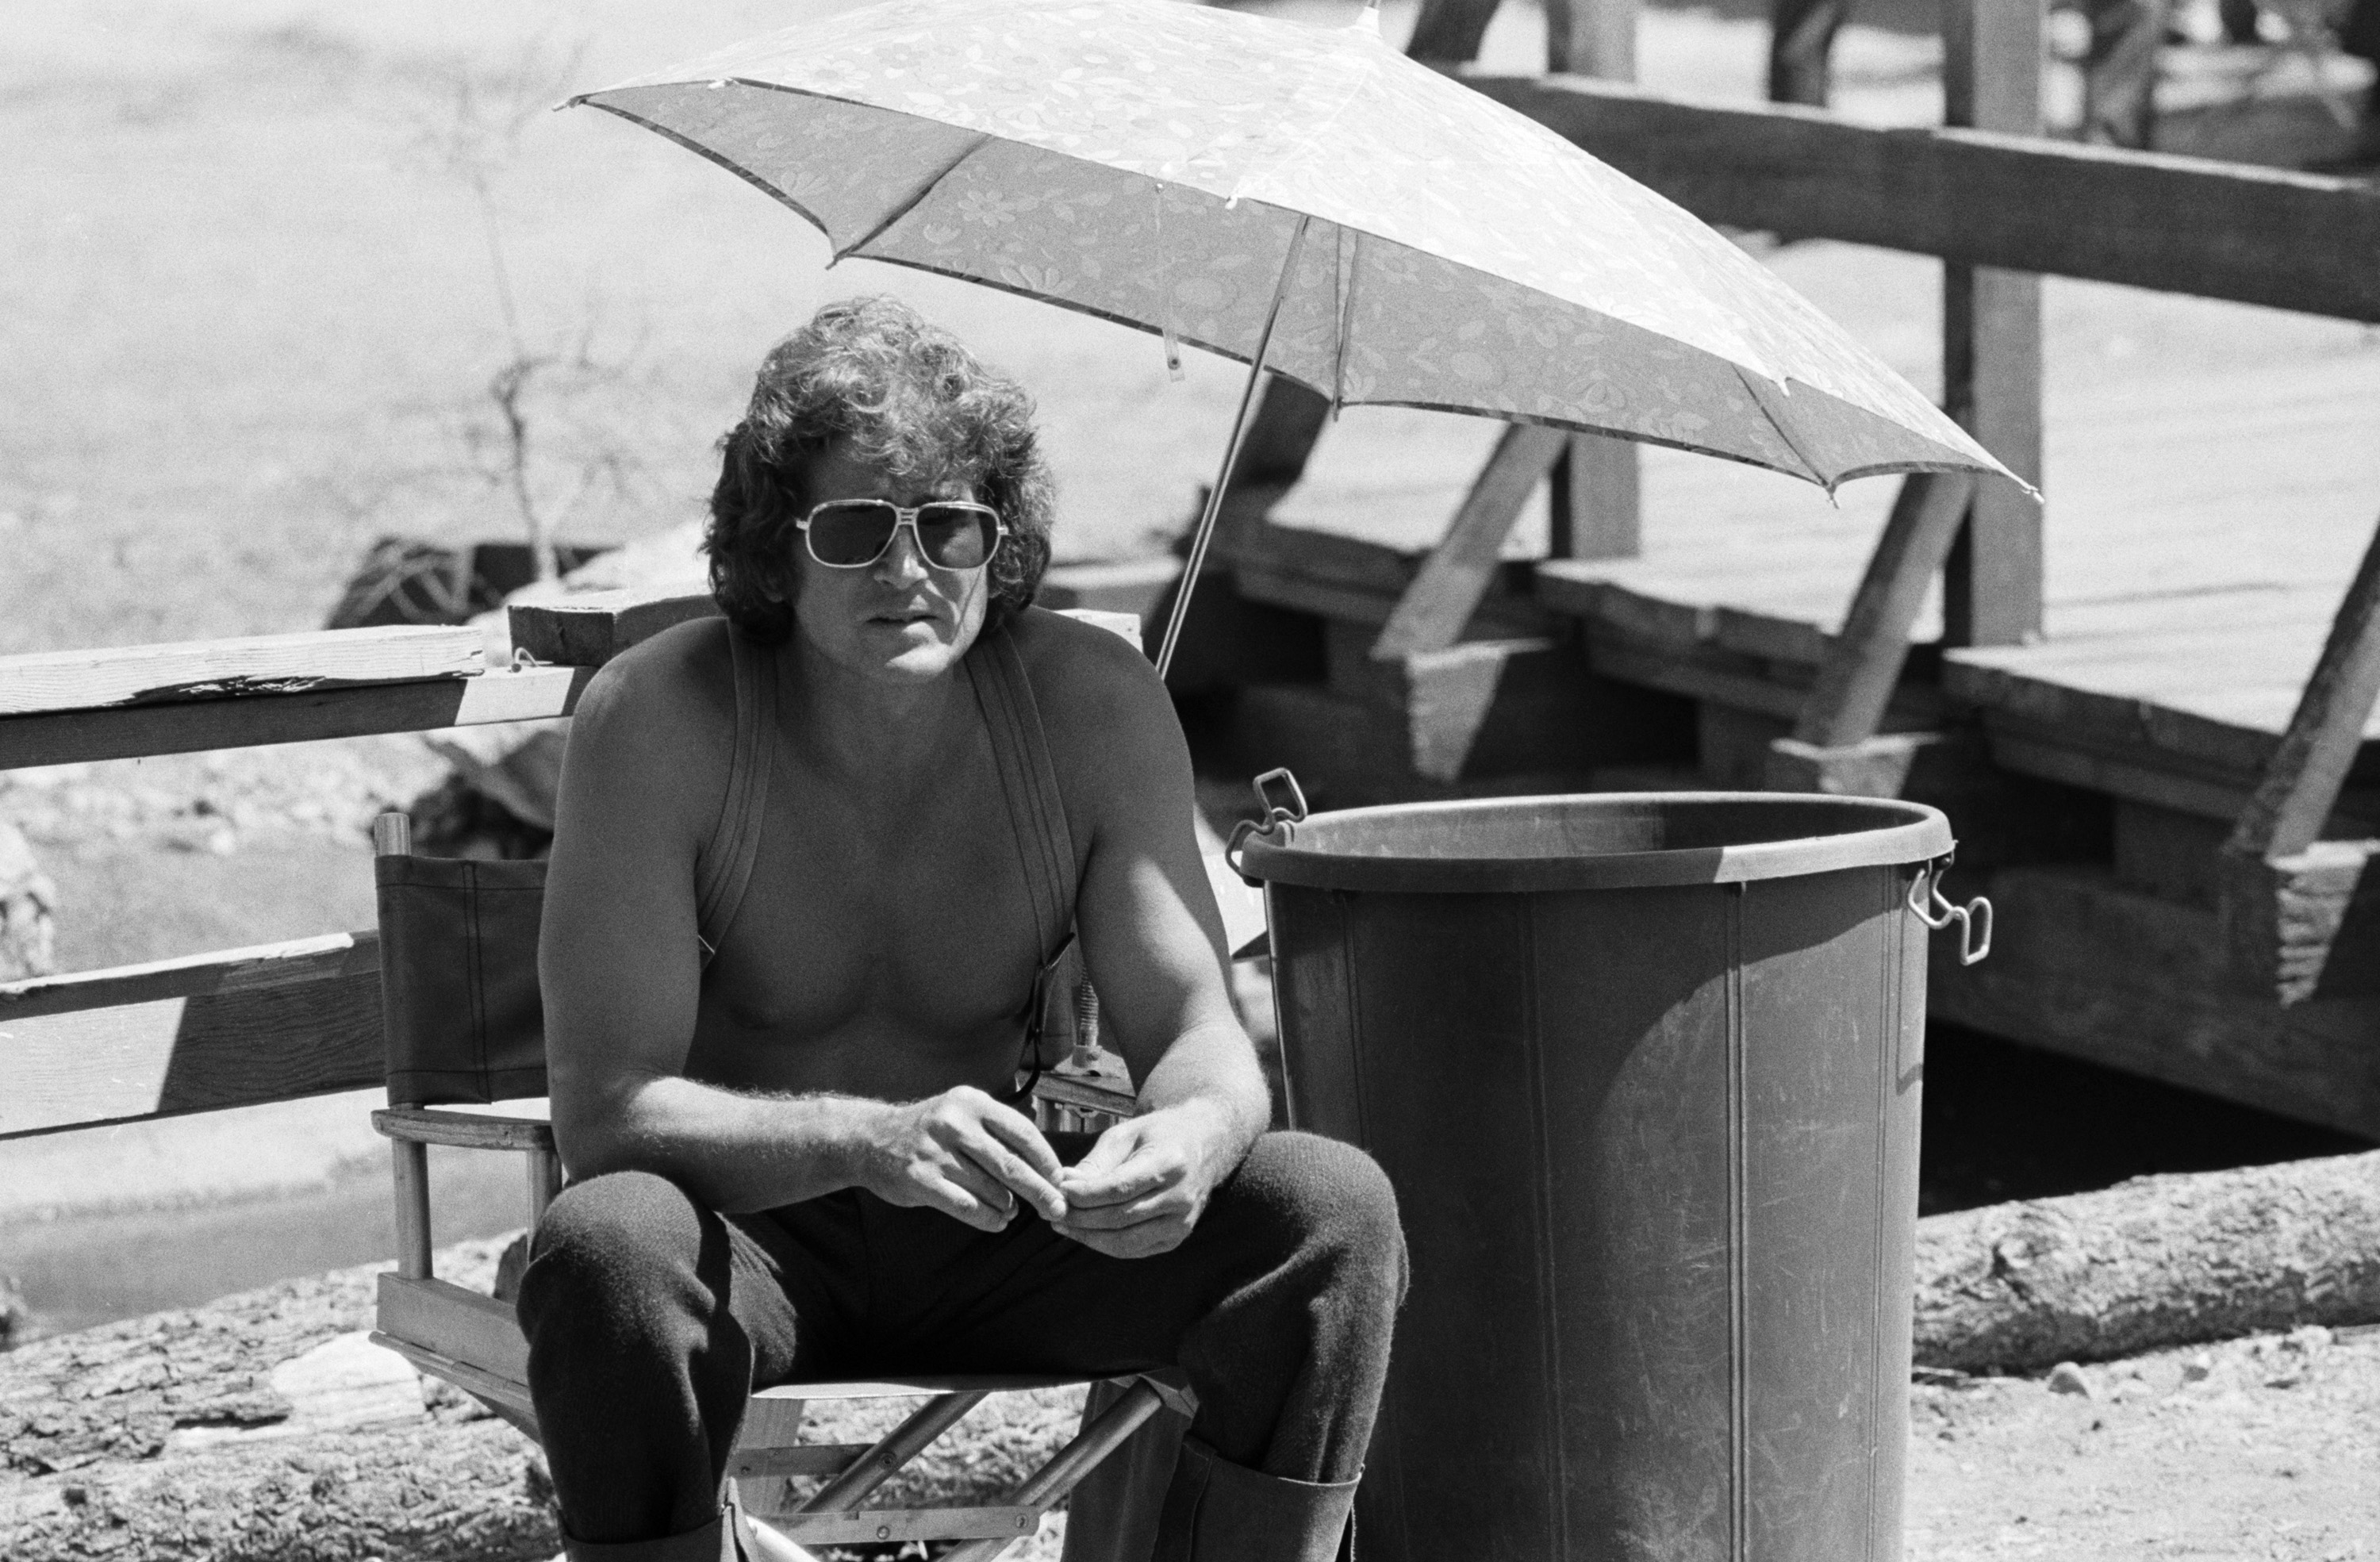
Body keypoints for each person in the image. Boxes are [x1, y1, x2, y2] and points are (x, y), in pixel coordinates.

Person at [514, 295, 1407, 1562]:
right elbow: (606, 1114)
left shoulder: (1091, 706)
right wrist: (868, 1139)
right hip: (752, 1239)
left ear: (1000, 540)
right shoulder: (658, 719)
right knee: (605, 1248)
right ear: (775, 550)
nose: (908, 571)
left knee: (1331, 1209)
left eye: (947, 527)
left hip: (1009, 1221)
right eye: (855, 530)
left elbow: (1199, 1032)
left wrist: (1193, 1136)